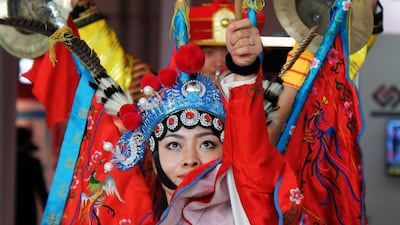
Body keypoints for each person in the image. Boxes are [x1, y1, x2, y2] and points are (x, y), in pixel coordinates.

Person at [15, 126, 48, 225]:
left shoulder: (7, 164)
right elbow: (42, 192)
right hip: (27, 210)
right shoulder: (33, 163)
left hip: (8, 208)